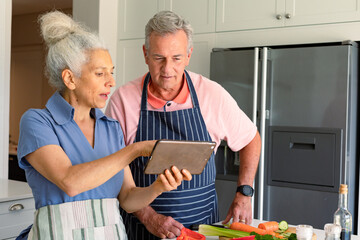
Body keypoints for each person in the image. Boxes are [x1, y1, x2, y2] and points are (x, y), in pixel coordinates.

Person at [16, 10, 192, 240]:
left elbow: (128, 199)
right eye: (100, 73)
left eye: (111, 72)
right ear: (70, 79)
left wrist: (158, 187)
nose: (111, 82)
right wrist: (135, 149)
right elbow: (70, 182)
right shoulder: (38, 122)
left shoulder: (110, 127)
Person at [105, 10, 262, 240]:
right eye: (159, 58)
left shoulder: (211, 94)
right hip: (142, 230)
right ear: (145, 54)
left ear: (189, 55)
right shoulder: (123, 100)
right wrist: (149, 217)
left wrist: (244, 193)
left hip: (203, 230)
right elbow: (114, 171)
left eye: (176, 58)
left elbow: (251, 139)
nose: (168, 69)